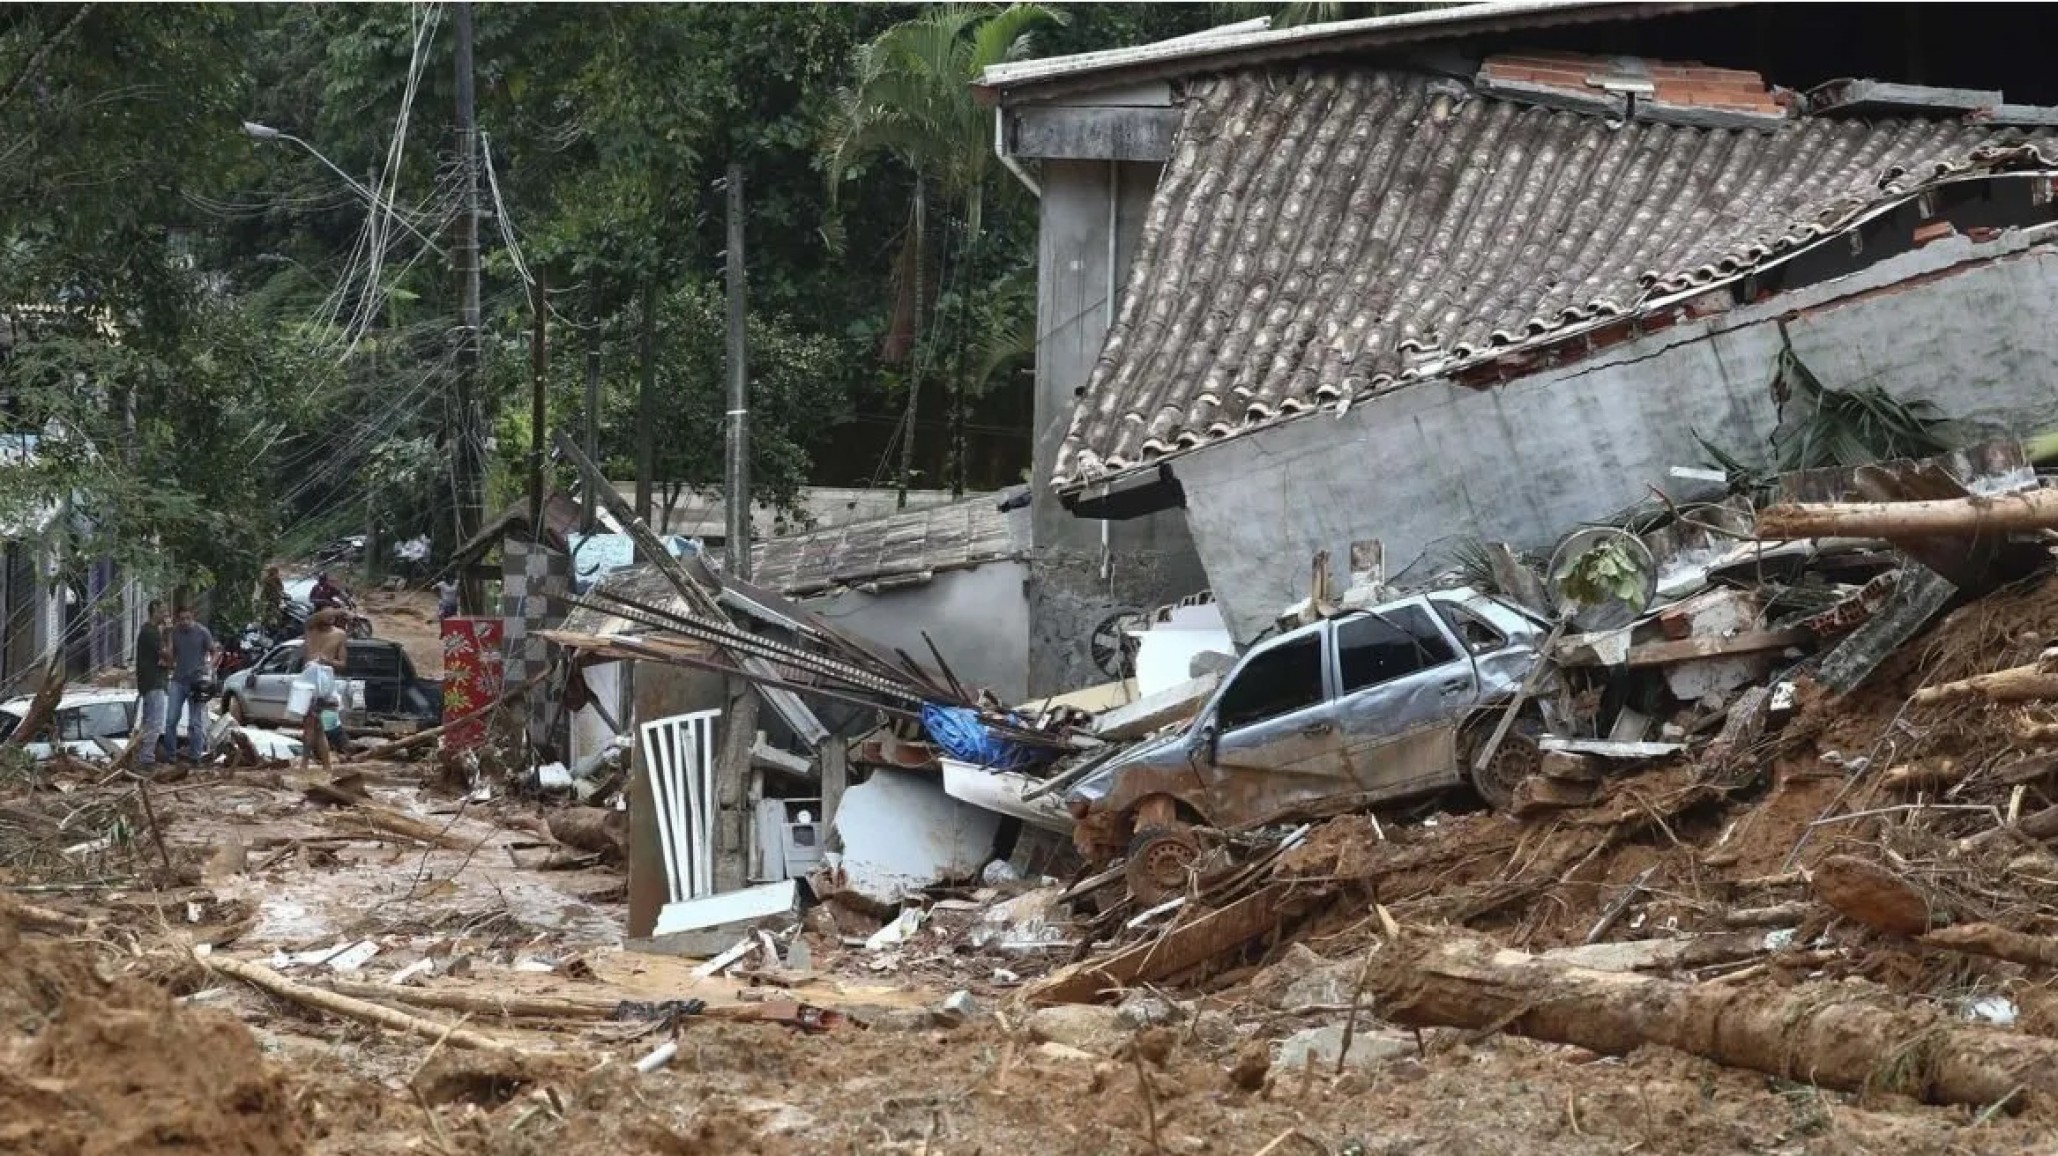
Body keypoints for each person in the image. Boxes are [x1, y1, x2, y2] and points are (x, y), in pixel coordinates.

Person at [296, 607, 350, 770]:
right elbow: (309, 620)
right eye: (327, 614)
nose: (331, 617)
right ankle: (324, 766)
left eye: (332, 614)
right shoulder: (311, 629)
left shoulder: (340, 635)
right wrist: (333, 611)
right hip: (308, 679)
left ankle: (306, 765)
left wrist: (327, 661)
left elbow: (342, 664)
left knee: (315, 726)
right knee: (315, 727)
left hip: (325, 680)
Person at [166, 605, 220, 764]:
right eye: (182, 619)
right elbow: (171, 656)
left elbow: (214, 651)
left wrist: (210, 667)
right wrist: (168, 638)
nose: (185, 622)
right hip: (178, 680)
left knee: (195, 722)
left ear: (193, 617)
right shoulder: (175, 632)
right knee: (171, 719)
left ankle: (195, 757)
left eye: (188, 618)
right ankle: (171, 756)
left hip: (197, 682)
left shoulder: (202, 632)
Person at [133, 601, 172, 772]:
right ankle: (146, 758)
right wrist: (169, 634)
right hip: (154, 682)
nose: (166, 614)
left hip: (150, 682)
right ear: (154, 611)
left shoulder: (150, 631)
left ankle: (140, 755)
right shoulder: (150, 632)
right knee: (154, 722)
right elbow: (167, 655)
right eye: (162, 611)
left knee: (147, 722)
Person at [258, 566, 287, 636]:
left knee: (278, 615)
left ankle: (275, 630)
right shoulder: (266, 581)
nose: (277, 574)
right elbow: (263, 592)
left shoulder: (277, 580)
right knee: (275, 616)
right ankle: (270, 630)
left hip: (276, 601)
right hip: (269, 602)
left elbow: (281, 589)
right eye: (276, 572)